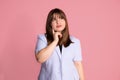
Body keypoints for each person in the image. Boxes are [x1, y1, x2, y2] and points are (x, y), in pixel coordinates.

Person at [35, 8, 85, 80]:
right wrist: (55, 41)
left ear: (65, 21)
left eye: (61, 18)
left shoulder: (74, 41)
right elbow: (40, 59)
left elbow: (78, 64)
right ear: (50, 23)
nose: (58, 22)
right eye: (54, 19)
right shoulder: (42, 39)